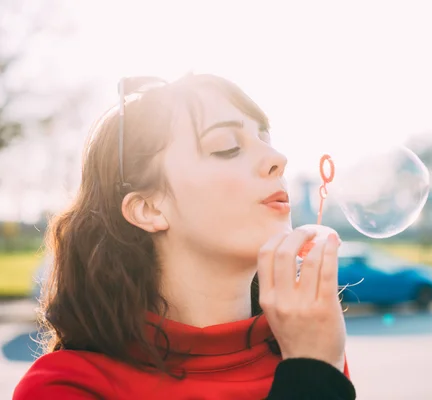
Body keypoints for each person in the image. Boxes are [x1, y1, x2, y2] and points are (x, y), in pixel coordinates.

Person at [13, 74, 355, 399]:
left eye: (265, 140)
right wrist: (312, 377)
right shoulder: (67, 388)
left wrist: (314, 365)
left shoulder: (305, 346)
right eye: (227, 146)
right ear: (149, 209)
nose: (278, 159)